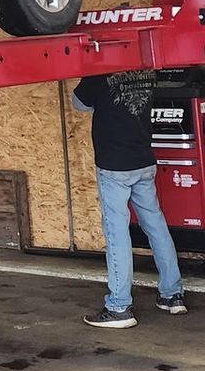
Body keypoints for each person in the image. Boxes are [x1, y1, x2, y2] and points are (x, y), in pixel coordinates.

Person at [73, 71, 186, 328]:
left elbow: (78, 103)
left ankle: (119, 307)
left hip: (114, 167)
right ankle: (172, 295)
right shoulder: (146, 69)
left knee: (116, 233)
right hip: (144, 160)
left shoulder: (99, 72)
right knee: (156, 226)